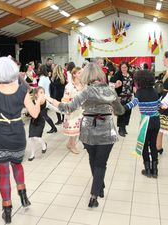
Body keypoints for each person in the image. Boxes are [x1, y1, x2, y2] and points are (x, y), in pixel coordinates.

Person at [0, 56, 43, 224]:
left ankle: (7, 210)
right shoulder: (21, 90)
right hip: (17, 134)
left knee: (3, 172)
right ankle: (24, 197)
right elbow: (34, 113)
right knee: (17, 165)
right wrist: (39, 101)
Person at [46, 63, 125, 208]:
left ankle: (98, 187)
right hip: (107, 130)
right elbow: (120, 111)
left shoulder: (86, 91)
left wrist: (51, 100)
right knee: (101, 163)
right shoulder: (110, 90)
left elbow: (68, 107)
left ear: (86, 75)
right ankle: (95, 193)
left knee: (92, 159)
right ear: (100, 74)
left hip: (88, 130)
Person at [125, 70, 160, 178]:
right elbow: (159, 105)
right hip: (156, 121)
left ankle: (148, 169)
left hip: (146, 122)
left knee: (145, 146)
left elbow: (132, 104)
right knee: (153, 145)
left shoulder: (139, 93)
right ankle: (155, 171)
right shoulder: (154, 91)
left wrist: (122, 108)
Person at [62, 67, 84, 154]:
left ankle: (70, 144)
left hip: (80, 110)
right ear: (74, 74)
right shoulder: (69, 86)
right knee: (73, 129)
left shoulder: (82, 85)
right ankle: (72, 145)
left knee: (77, 129)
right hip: (72, 109)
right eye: (79, 73)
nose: (81, 74)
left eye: (82, 73)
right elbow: (65, 99)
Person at [112, 61, 134, 137]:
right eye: (122, 67)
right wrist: (116, 85)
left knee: (128, 112)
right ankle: (121, 129)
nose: (124, 69)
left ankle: (124, 127)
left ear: (128, 67)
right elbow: (111, 84)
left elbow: (133, 84)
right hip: (120, 97)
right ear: (120, 68)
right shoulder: (118, 74)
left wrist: (135, 93)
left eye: (125, 67)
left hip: (129, 96)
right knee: (121, 112)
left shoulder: (131, 74)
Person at [28, 87, 48, 161]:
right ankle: (32, 154)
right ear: (36, 95)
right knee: (31, 138)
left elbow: (52, 107)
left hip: (40, 121)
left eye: (43, 92)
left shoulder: (45, 101)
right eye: (41, 92)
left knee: (37, 137)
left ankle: (43, 144)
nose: (43, 94)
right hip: (33, 121)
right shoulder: (32, 101)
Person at [38, 65, 57, 133]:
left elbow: (39, 88)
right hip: (47, 97)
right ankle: (53, 128)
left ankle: (53, 128)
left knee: (44, 115)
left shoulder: (42, 78)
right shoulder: (47, 78)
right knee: (44, 114)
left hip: (43, 98)